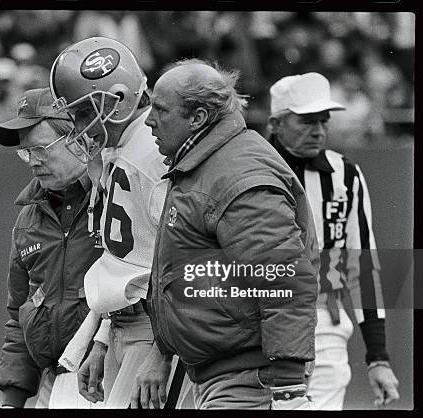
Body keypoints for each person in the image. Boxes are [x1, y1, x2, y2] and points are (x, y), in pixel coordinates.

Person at [139, 58, 320, 410]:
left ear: (198, 118)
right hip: (227, 375)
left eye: (160, 109)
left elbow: (284, 280)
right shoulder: (208, 163)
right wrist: (162, 350)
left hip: (250, 380)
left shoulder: (237, 173)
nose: (149, 119)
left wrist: (288, 389)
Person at [49, 37, 183, 408]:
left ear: (117, 101)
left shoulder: (154, 151)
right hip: (126, 323)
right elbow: (123, 260)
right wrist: (104, 336)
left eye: (80, 113)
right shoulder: (120, 148)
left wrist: (164, 350)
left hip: (156, 328)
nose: (76, 127)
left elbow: (181, 261)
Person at [266, 72, 400, 410]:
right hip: (259, 320)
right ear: (276, 123)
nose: (319, 130)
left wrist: (378, 357)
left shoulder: (346, 175)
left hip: (325, 322)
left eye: (323, 120)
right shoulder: (251, 170)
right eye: (307, 121)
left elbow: (363, 265)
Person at [0, 88, 104, 408]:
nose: (33, 161)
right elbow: (17, 315)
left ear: (77, 138)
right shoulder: (28, 219)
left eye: (41, 148)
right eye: (26, 152)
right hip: (54, 384)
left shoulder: (115, 199)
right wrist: (11, 401)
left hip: (108, 375)